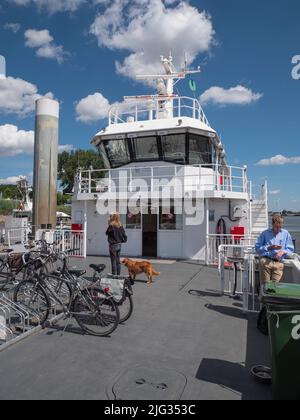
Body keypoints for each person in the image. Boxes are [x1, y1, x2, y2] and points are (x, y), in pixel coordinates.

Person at [256, 214, 294, 284]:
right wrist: (269, 247)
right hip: (265, 262)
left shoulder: (286, 233)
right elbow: (257, 248)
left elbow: (291, 249)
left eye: (280, 227)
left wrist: (283, 252)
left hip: (279, 263)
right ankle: (263, 294)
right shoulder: (265, 233)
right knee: (265, 285)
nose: (278, 229)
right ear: (272, 224)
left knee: (275, 287)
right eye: (276, 227)